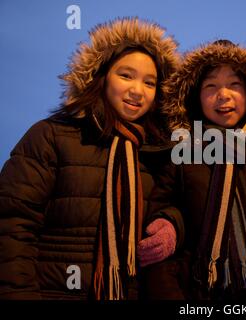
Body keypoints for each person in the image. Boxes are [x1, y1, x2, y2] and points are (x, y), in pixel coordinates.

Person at [0, 18, 179, 300]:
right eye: (126, 75)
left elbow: (180, 203)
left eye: (150, 82)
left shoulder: (159, 152)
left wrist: (172, 223)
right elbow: (12, 225)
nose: (137, 90)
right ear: (101, 76)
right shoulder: (52, 136)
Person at [137, 40, 246, 300]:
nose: (223, 95)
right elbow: (163, 205)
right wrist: (168, 224)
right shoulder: (182, 153)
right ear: (195, 97)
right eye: (210, 86)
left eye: (235, 84)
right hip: (195, 289)